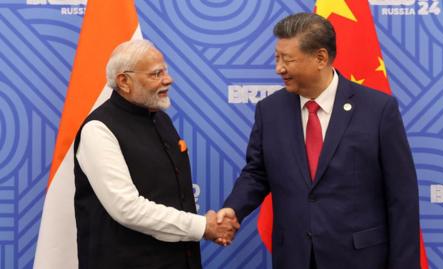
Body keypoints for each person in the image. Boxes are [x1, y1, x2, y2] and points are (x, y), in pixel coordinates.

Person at [217, 13, 420, 269]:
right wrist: (234, 209)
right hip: (294, 257)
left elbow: (402, 197)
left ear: (320, 58)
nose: (279, 68)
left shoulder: (378, 109)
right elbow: (257, 173)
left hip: (360, 258)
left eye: (287, 59)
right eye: (277, 58)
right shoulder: (269, 111)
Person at [74, 39, 239, 269]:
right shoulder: (99, 129)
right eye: (156, 74)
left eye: (166, 71)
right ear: (124, 81)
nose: (168, 80)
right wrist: (202, 226)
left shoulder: (160, 118)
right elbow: (127, 209)